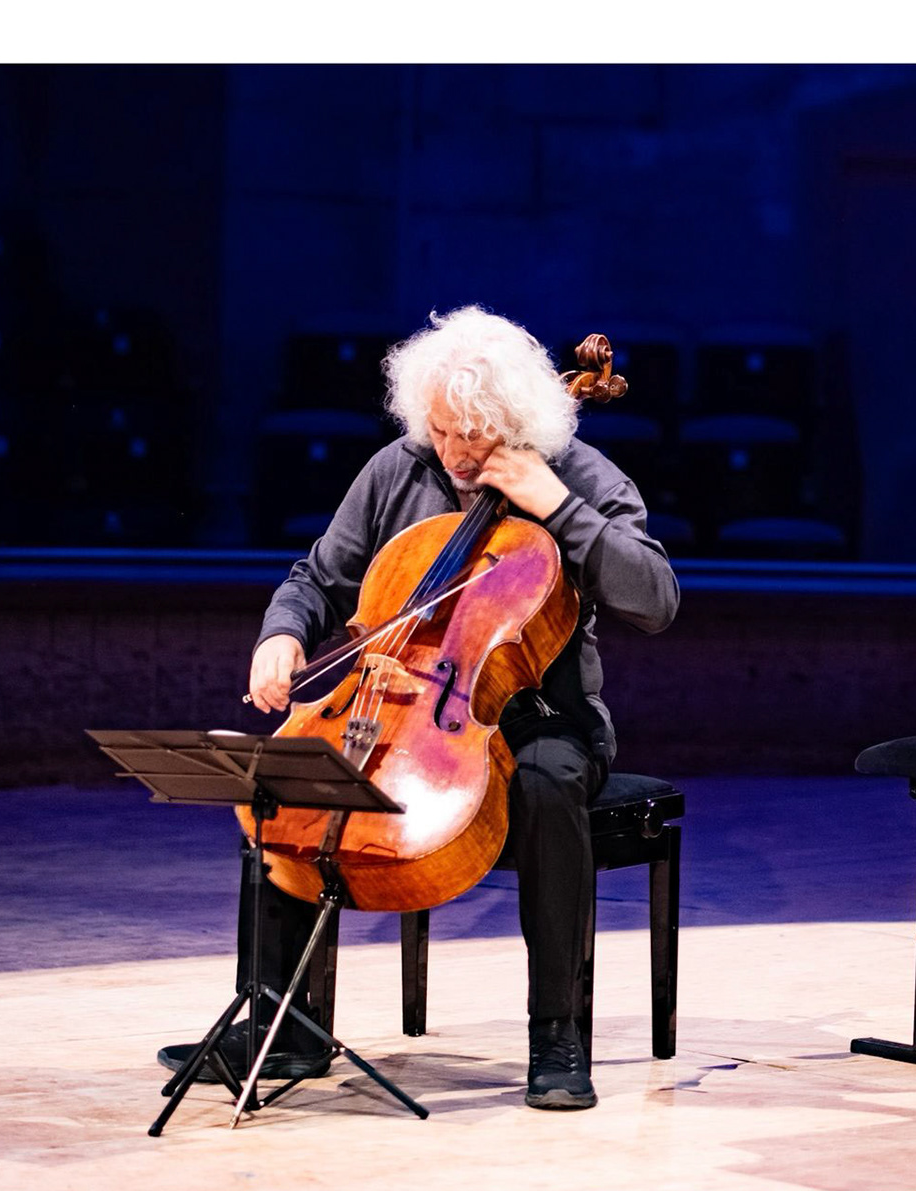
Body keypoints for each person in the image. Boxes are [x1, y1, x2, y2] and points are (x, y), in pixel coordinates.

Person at [159, 305, 679, 1110]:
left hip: (541, 716)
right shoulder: (397, 469)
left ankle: (557, 1035)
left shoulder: (579, 477)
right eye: (440, 430)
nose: (455, 452)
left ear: (519, 421)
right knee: (282, 783)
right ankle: (281, 1025)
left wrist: (558, 507)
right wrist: (282, 635)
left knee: (546, 782)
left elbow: (657, 599)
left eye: (474, 434)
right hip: (404, 704)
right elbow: (317, 578)